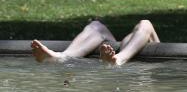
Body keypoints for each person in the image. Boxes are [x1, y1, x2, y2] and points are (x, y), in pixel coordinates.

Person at [31, 20, 160, 66]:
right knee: (96, 26)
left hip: (139, 49)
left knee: (145, 24)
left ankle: (119, 59)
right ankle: (61, 57)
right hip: (125, 49)